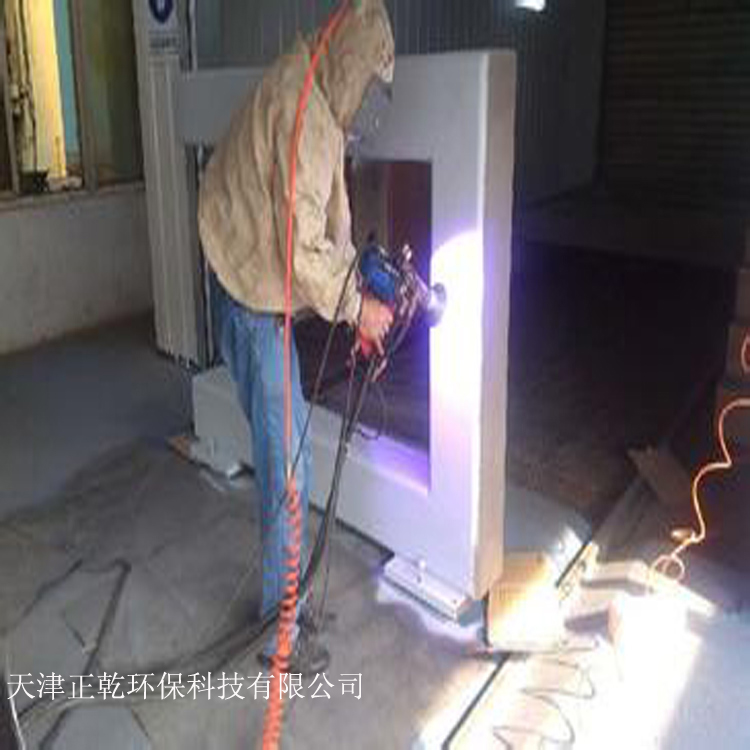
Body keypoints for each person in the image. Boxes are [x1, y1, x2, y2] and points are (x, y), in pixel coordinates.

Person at [197, 0, 395, 674]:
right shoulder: (305, 116)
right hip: (252, 300)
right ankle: (278, 635)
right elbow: (302, 250)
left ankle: (290, 603)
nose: (367, 102)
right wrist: (358, 308)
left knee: (292, 462)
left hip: (246, 282)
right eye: (368, 84)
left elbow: (322, 222)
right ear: (350, 65)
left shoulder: (311, 83)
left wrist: (356, 285)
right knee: (288, 474)